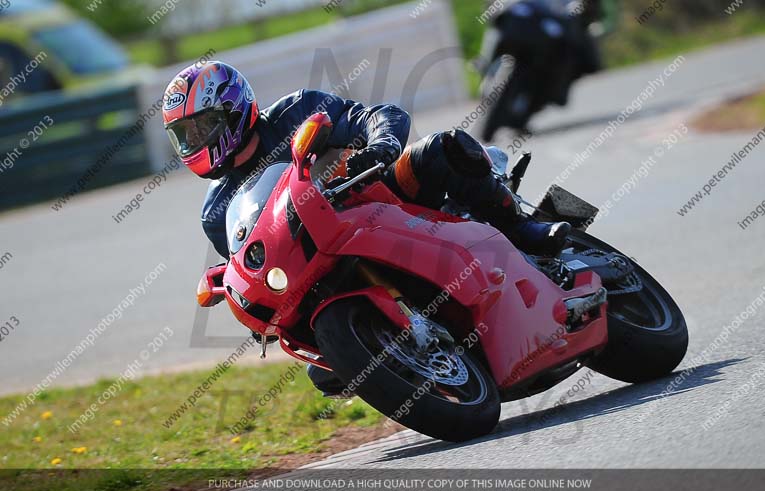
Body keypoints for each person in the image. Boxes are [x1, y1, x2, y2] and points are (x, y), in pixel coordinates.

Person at [162, 61, 570, 394]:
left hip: (378, 198)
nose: (194, 142)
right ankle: (384, 350)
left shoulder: (294, 111)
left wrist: (380, 146)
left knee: (441, 148)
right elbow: (248, 260)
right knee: (324, 365)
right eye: (184, 135)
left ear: (232, 109)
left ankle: (521, 226)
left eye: (201, 127)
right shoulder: (216, 212)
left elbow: (376, 116)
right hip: (319, 257)